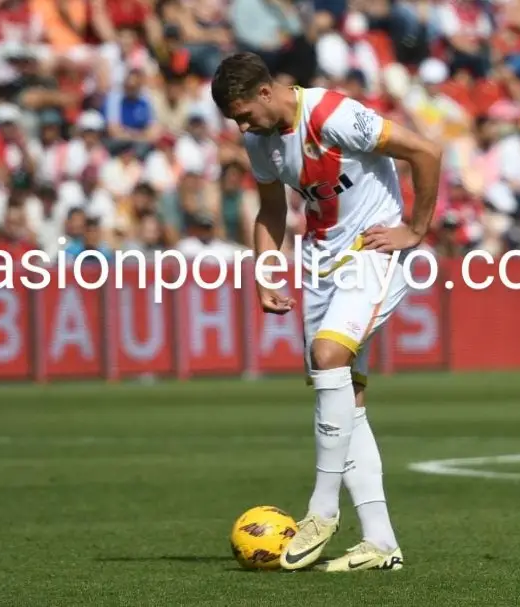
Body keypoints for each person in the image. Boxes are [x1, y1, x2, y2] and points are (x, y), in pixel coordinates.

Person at [210, 52, 442, 572]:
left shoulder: (333, 114)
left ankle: (321, 510)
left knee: (328, 353)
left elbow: (424, 151)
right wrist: (266, 272)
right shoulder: (260, 143)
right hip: (320, 266)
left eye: (245, 114)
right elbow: (272, 212)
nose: (243, 126)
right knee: (344, 395)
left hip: (374, 252)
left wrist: (417, 229)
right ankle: (381, 543)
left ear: (266, 92)